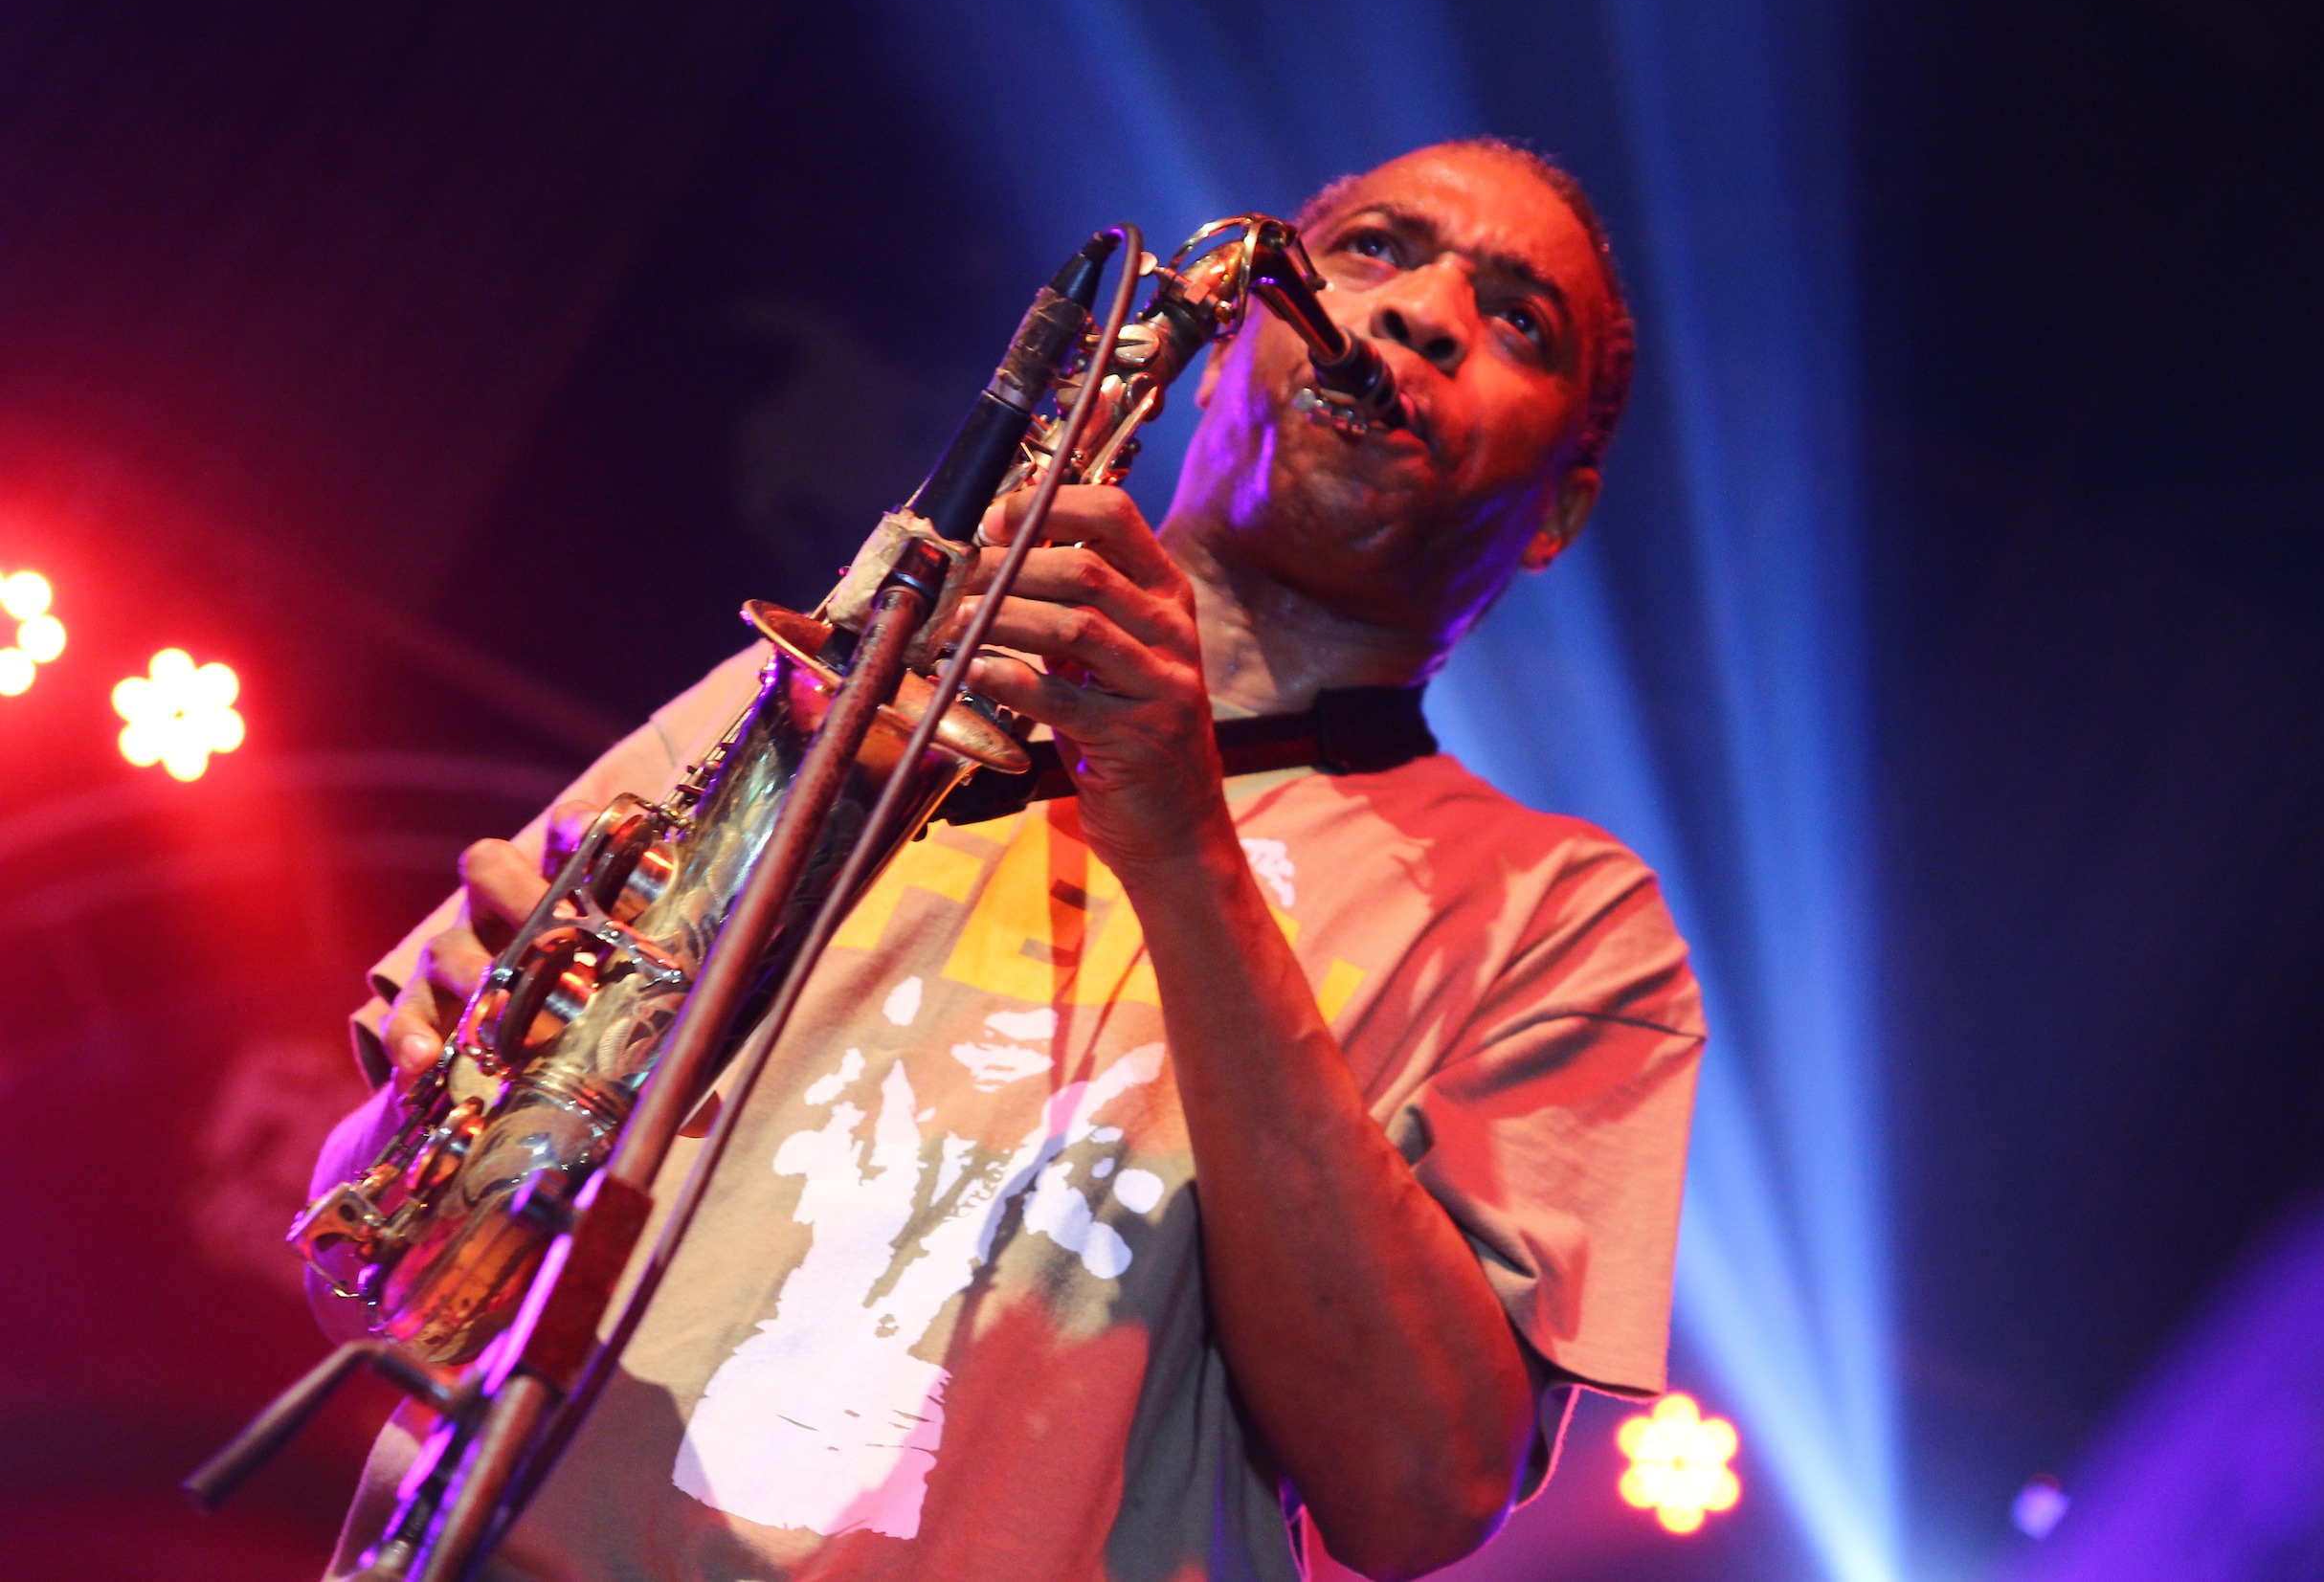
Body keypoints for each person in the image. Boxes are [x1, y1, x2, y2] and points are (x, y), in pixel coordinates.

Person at [314, 139, 1705, 1582]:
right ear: (1229, 350)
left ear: (1559, 511)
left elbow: (1421, 1491)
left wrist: (1180, 837)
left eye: (1515, 319)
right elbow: (373, 1264)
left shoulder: (1564, 919)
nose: (1419, 313)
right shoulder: (834, 681)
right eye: (1371, 250)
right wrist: (452, 1106)